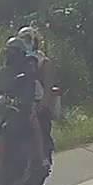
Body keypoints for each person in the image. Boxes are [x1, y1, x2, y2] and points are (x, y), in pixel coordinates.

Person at [0, 37, 46, 169]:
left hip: (22, 110)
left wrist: (20, 101)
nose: (9, 55)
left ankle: (41, 158)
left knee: (33, 123)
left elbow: (29, 91)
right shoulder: (1, 72)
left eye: (12, 52)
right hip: (2, 111)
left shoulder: (26, 71)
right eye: (8, 52)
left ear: (19, 54)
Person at [17, 26, 58, 163]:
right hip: (19, 102)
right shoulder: (16, 59)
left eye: (27, 39)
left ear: (34, 41)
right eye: (21, 39)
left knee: (39, 126)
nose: (24, 42)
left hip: (37, 102)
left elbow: (48, 87)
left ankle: (42, 158)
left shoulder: (43, 61)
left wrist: (42, 105)